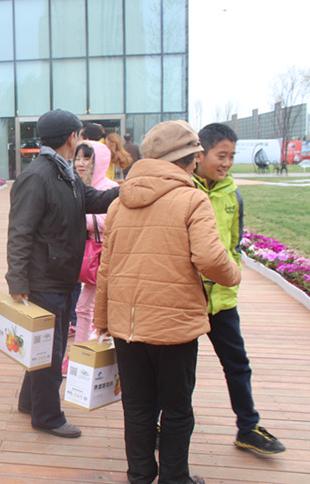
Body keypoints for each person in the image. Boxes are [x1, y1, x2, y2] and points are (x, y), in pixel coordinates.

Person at [94, 120, 241, 484]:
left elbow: (106, 267)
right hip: (174, 327)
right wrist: (234, 275)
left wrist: (102, 319)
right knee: (176, 409)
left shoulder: (120, 203)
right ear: (188, 159)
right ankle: (175, 478)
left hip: (127, 325)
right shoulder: (192, 199)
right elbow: (210, 258)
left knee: (137, 407)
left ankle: (140, 475)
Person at [6, 109, 119, 438]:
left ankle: (30, 401)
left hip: (61, 276)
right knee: (51, 352)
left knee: (43, 347)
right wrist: (17, 280)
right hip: (45, 279)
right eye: (79, 135)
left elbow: (93, 200)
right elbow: (19, 232)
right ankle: (47, 416)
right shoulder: (38, 176)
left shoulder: (64, 172)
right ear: (72, 137)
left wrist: (127, 190)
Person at [193, 123, 285, 456]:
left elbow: (234, 245)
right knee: (179, 372)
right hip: (186, 300)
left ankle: (248, 428)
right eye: (221, 155)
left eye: (232, 156)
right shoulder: (184, 191)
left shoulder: (233, 194)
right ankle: (164, 425)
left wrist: (231, 277)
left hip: (222, 300)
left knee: (237, 364)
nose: (228, 162)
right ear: (199, 154)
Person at [72, 140, 117, 344]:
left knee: (86, 308)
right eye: (77, 158)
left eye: (87, 158)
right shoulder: (81, 185)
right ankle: (83, 351)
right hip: (88, 255)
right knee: (88, 309)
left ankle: (82, 352)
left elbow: (109, 221)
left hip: (103, 256)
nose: (80, 163)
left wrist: (78, 218)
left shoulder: (109, 187)